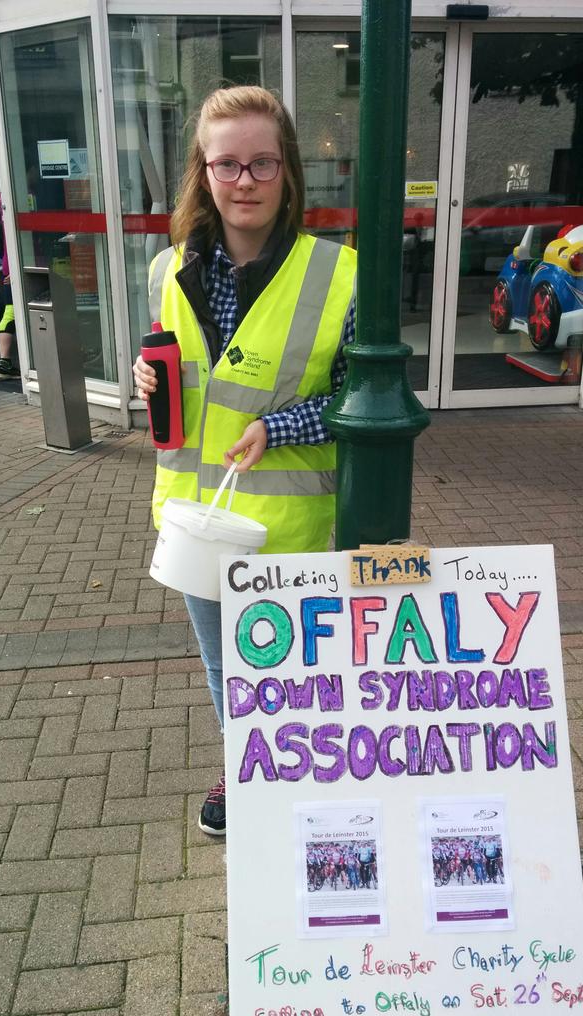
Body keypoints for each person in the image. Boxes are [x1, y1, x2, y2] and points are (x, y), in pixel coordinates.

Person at [132, 86, 356, 837]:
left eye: (262, 163)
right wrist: (145, 377)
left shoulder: (339, 275)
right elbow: (179, 367)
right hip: (195, 522)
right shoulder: (168, 269)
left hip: (285, 529)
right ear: (203, 171)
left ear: (288, 170)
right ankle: (246, 770)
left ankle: (298, 781)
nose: (245, 181)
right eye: (227, 164)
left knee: (291, 674)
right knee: (225, 672)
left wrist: (280, 424)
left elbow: (366, 401)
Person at [0, 197, 20, 381]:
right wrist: (16, 268)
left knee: (10, 312)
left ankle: (4, 362)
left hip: (9, 264)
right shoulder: (15, 193)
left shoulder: (5, 197)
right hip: (18, 264)